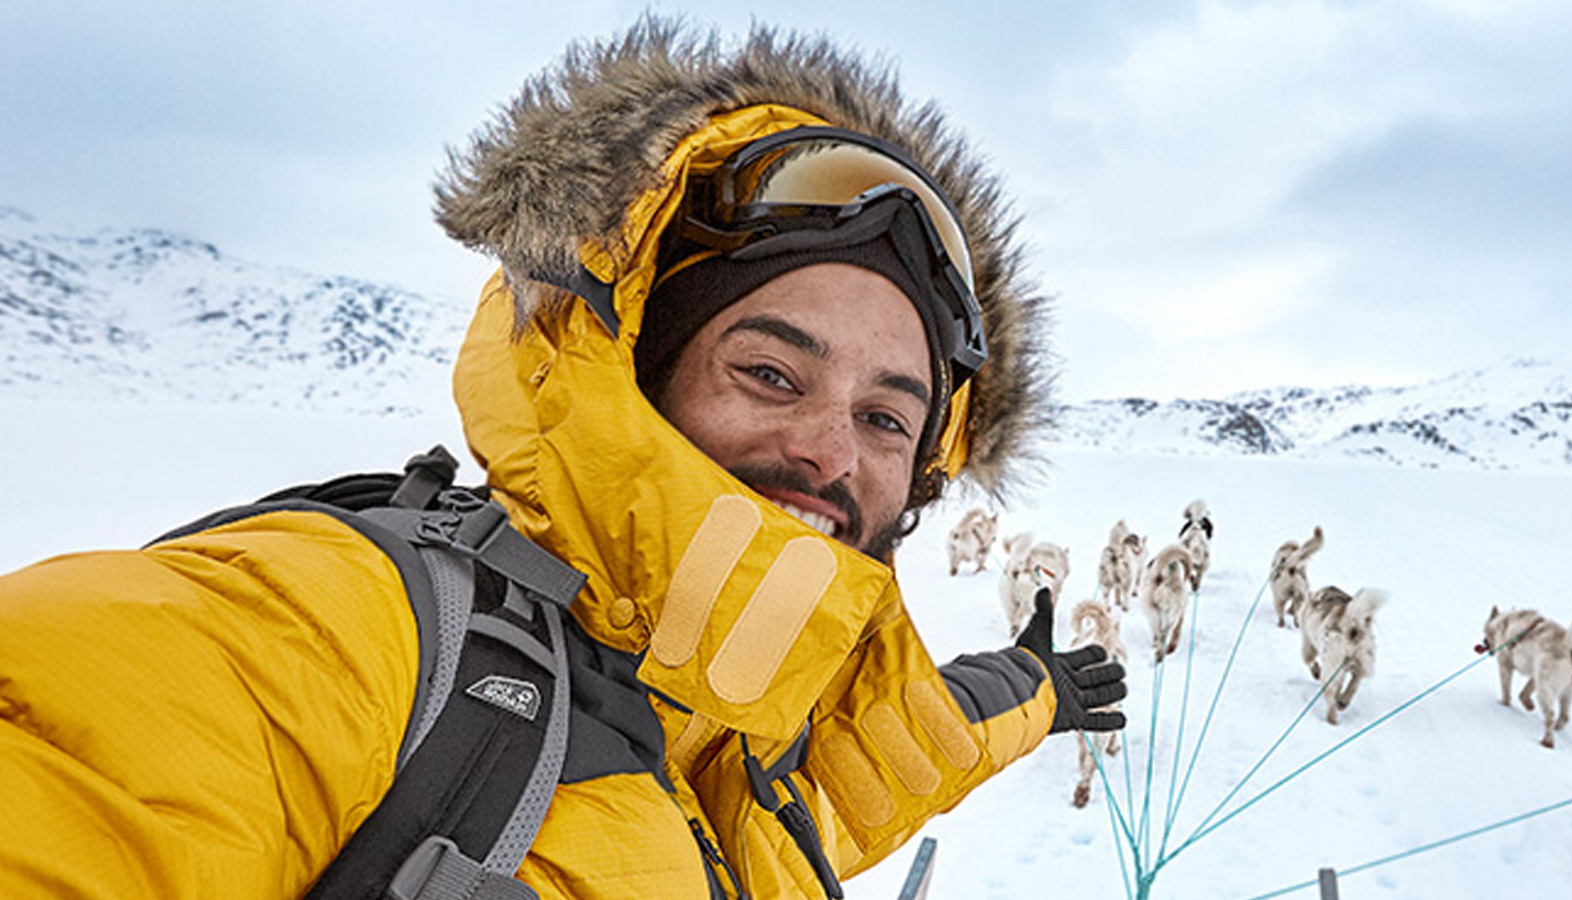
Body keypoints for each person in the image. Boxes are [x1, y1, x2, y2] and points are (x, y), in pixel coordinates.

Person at [0, 17, 1126, 900]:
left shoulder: (746, 744)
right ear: (636, 364)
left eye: (888, 419)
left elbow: (881, 765)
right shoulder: (339, 636)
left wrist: (1038, 691)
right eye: (771, 374)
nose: (829, 452)